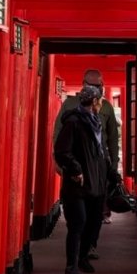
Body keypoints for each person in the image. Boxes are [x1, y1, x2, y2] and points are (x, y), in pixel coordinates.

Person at [53, 69, 120, 259]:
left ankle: (89, 245)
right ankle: (75, 257)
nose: (94, 89)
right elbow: (58, 134)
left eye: (97, 85)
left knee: (95, 213)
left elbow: (112, 140)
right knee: (77, 214)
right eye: (90, 85)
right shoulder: (70, 106)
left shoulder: (105, 107)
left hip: (98, 167)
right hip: (77, 165)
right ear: (83, 84)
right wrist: (59, 161)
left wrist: (112, 167)